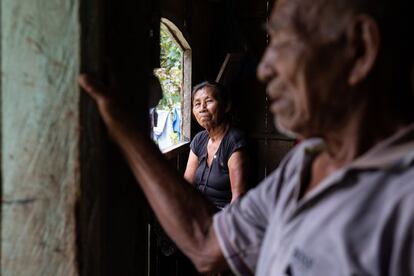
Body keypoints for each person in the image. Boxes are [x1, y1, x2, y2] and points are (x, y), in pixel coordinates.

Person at [79, 0, 414, 274]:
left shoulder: (403, 201)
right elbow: (206, 240)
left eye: (285, 41)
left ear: (360, 49)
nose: (265, 69)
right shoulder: (305, 162)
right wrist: (124, 127)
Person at [184, 81, 248, 209]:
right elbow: (186, 185)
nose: (202, 108)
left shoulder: (234, 141)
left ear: (226, 106)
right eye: (197, 104)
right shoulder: (199, 139)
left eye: (208, 101)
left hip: (223, 215)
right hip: (199, 212)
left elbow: (238, 197)